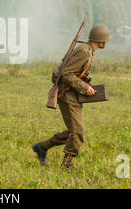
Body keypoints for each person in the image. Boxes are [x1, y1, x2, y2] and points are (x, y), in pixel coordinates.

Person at [32, 24, 111, 169]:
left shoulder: (87, 50)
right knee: (78, 131)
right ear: (101, 40)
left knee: (74, 131)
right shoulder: (84, 52)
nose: (107, 42)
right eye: (106, 39)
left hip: (72, 92)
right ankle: (67, 165)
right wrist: (85, 87)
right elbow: (67, 73)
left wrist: (86, 84)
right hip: (66, 93)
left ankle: (43, 147)